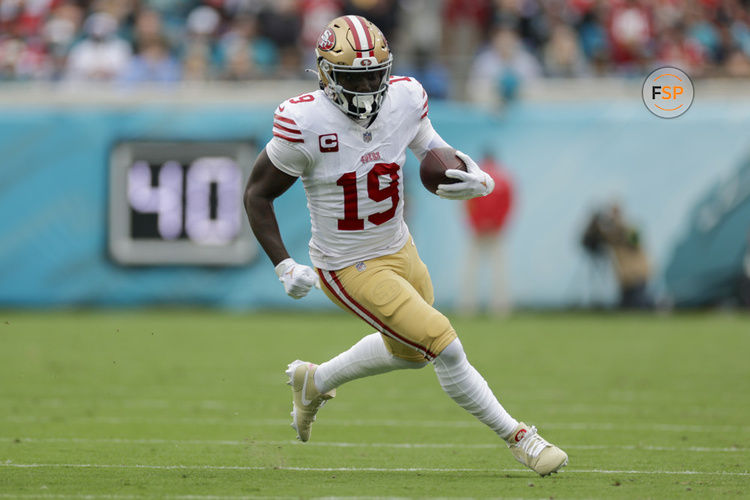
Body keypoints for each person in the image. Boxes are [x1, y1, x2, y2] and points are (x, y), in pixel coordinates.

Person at [243, 15, 567, 477]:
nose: (369, 88)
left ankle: (314, 381)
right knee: (444, 346)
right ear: (325, 74)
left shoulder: (405, 97)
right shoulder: (305, 121)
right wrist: (283, 264)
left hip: (399, 246)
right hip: (347, 263)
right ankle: (522, 439)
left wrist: (474, 175)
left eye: (376, 75)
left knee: (411, 353)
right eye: (357, 79)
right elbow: (257, 193)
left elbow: (432, 148)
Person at [458, 153, 514, 316]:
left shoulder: (474, 178)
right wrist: (497, 224)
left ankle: (467, 308)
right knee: (498, 270)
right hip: (493, 231)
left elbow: (467, 203)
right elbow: (508, 205)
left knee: (472, 270)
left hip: (480, 231)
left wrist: (476, 224)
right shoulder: (504, 178)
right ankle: (500, 309)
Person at [581, 202, 653, 309]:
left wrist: (619, 226)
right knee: (626, 308)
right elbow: (588, 240)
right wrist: (594, 222)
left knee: (640, 305)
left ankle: (660, 306)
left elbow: (635, 241)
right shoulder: (611, 235)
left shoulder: (630, 229)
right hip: (624, 279)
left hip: (638, 276)